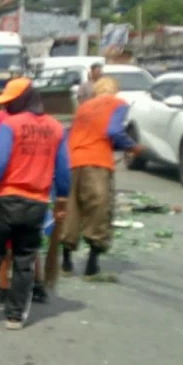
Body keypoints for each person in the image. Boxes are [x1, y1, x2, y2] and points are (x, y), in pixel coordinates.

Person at [0, 78, 70, 331]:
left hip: (7, 200)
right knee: (25, 259)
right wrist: (62, 199)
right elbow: (63, 170)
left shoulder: (11, 125)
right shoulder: (56, 128)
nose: (6, 107)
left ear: (22, 100)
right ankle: (15, 317)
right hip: (37, 203)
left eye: (10, 102)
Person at [0, 84, 48, 304]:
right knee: (26, 246)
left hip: (8, 190)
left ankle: (2, 289)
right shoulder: (39, 123)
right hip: (37, 192)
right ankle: (38, 286)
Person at [62, 75, 145, 277]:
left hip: (73, 160)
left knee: (72, 208)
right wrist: (132, 146)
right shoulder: (118, 103)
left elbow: (75, 134)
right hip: (97, 163)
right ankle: (92, 263)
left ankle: (66, 261)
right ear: (115, 90)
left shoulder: (84, 107)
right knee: (98, 210)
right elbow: (114, 131)